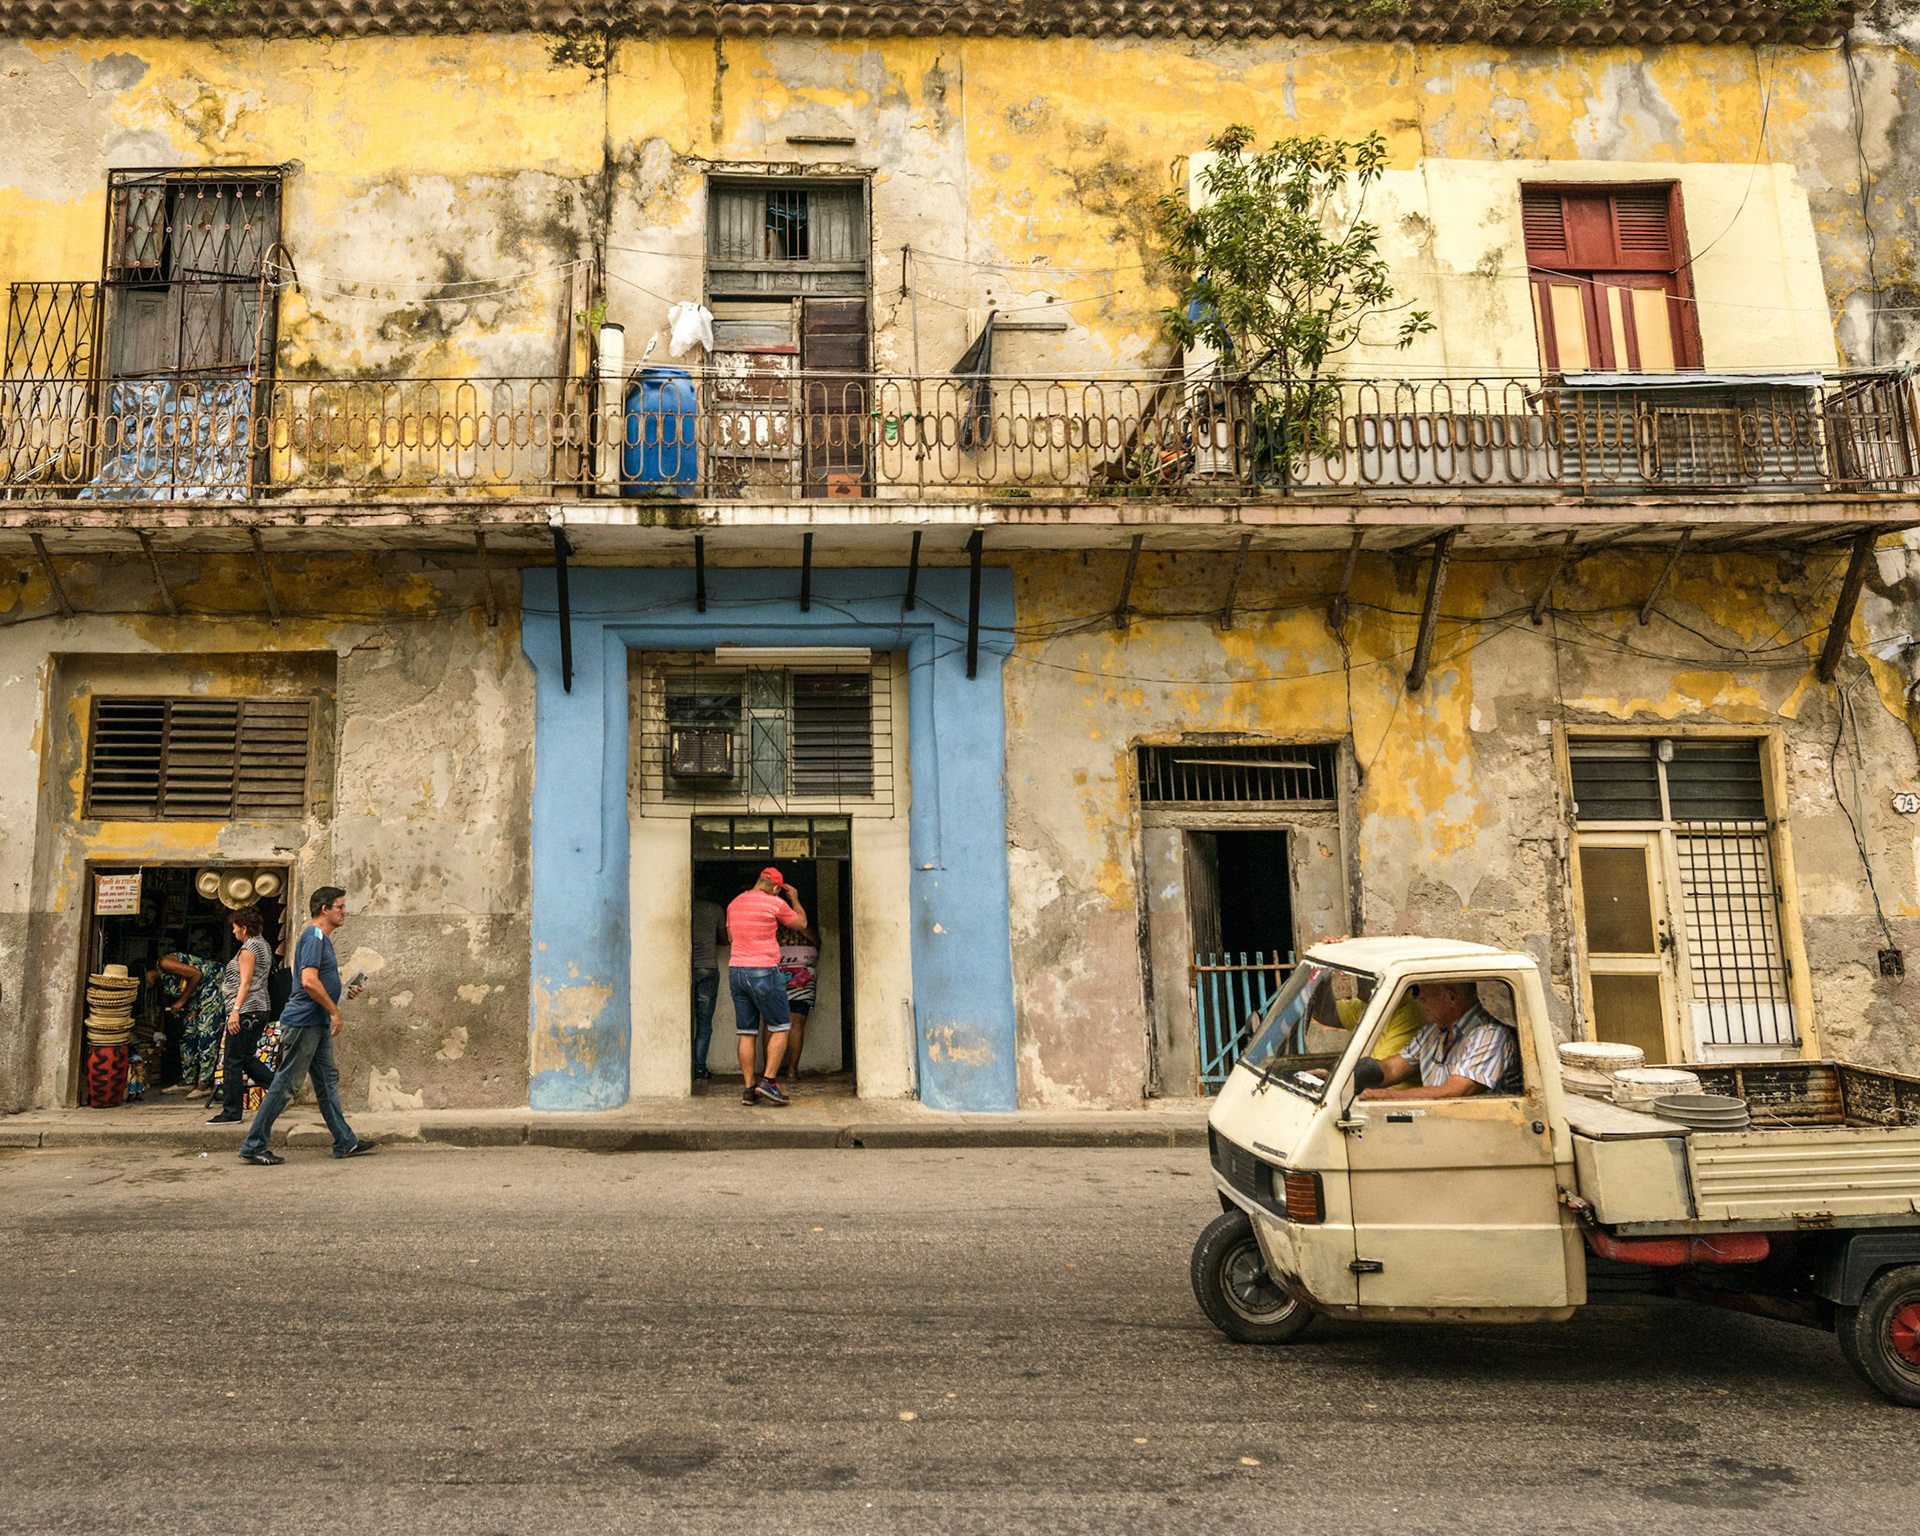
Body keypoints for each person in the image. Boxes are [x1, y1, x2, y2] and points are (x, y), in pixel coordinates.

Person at [238, 886, 375, 1165]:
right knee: (286, 1085)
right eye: (340, 906)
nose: (345, 911)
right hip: (304, 1024)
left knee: (326, 1083)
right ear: (325, 909)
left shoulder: (320, 938)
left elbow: (317, 984)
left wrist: (343, 993)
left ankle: (345, 1141)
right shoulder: (314, 937)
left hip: (315, 1022)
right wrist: (335, 1012)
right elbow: (309, 982)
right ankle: (253, 1144)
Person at [725, 867, 807, 1107]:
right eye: (778, 891)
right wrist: (794, 898)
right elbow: (801, 924)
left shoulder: (734, 904)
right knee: (781, 1026)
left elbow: (731, 939)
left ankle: (749, 1090)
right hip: (763, 970)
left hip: (736, 971)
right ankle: (769, 1082)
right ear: (774, 888)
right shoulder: (774, 903)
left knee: (747, 1032)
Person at [1359, 980, 1519, 1101]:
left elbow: (1455, 1091)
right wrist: (1352, 1075)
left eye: (1425, 994)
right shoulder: (1432, 1031)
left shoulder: (1490, 1035)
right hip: (1441, 1124)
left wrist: (1380, 1096)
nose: (1419, 999)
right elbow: (1393, 1069)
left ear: (1451, 998)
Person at [206, 905, 279, 1125]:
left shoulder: (249, 949)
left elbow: (246, 983)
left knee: (232, 1062)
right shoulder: (264, 945)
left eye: (235, 927)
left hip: (246, 1010)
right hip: (258, 1009)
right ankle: (280, 1087)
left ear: (244, 928)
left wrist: (235, 1012)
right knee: (245, 1058)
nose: (233, 932)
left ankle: (231, 1112)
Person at [147, 951, 222, 1097]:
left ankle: (204, 1084)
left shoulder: (165, 963)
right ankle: (187, 1081)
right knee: (189, 1033)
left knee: (206, 1031)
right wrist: (159, 1035)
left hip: (212, 983)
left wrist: (181, 1001)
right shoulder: (163, 983)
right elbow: (164, 1008)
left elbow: (197, 974)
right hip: (197, 992)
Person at [689, 880, 727, 1083]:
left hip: (686, 969)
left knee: (685, 1019)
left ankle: (682, 1067)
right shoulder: (715, 909)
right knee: (704, 1021)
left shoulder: (688, 906)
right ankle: (699, 1068)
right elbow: (723, 939)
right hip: (708, 967)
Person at [775, 921, 820, 1083]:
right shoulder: (805, 926)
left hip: (776, 972)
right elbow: (818, 944)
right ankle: (792, 1072)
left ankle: (770, 1072)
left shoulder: (773, 926)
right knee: (797, 1024)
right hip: (803, 975)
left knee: (771, 1024)